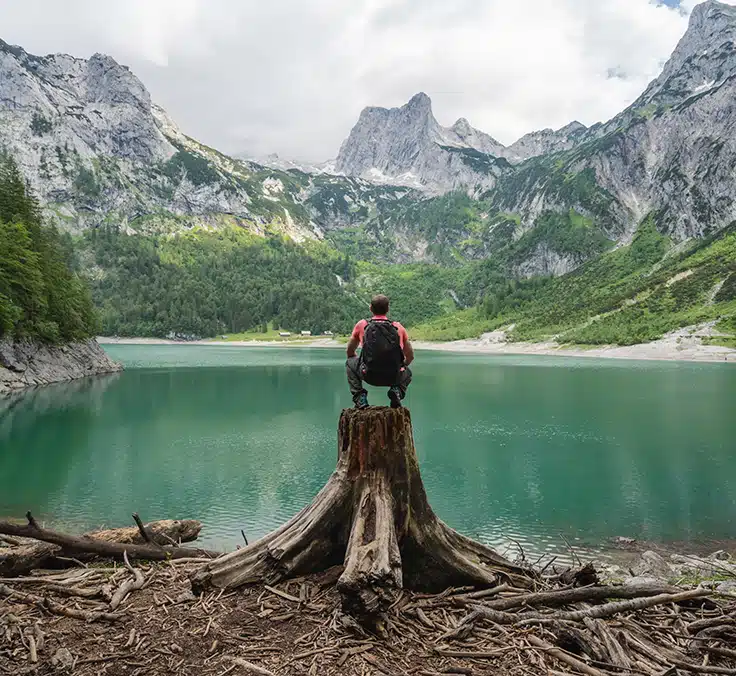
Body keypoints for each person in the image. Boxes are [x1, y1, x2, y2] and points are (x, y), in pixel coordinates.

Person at [346, 294, 414, 409]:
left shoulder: (362, 325)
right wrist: (402, 366)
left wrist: (360, 362)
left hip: (368, 374)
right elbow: (410, 356)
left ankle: (360, 398)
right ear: (388, 309)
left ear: (370, 308)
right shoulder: (399, 328)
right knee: (408, 373)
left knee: (349, 363)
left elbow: (350, 351)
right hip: (394, 376)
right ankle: (397, 392)